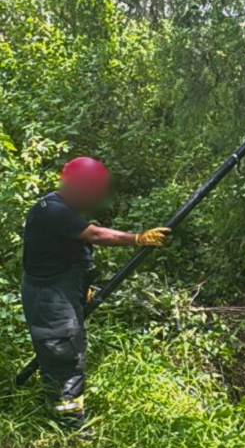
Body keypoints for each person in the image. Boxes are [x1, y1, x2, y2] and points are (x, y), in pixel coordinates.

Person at [21, 157, 171, 430]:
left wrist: (80, 286)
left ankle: (59, 405)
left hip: (59, 290)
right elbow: (95, 235)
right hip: (49, 298)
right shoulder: (53, 211)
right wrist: (137, 239)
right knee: (64, 355)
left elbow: (69, 252)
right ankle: (69, 424)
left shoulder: (64, 208)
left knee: (63, 350)